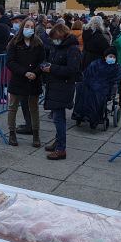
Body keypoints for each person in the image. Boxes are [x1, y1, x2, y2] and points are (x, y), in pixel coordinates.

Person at [41, 24, 81, 160]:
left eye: (55, 38)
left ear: (61, 35)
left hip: (63, 87)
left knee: (59, 118)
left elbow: (72, 70)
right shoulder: (58, 47)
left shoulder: (72, 49)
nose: (54, 41)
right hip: (55, 85)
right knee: (58, 117)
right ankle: (58, 142)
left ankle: (61, 149)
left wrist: (52, 68)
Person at [6, 17, 45, 147]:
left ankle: (36, 135)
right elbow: (10, 62)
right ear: (22, 27)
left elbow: (42, 61)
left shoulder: (38, 43)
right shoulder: (14, 43)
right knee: (13, 107)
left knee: (34, 108)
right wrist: (24, 72)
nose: (29, 29)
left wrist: (35, 72)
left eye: (31, 27)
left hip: (33, 80)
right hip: (18, 79)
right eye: (27, 26)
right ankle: (12, 133)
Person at [72, 47, 121, 130]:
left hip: (105, 86)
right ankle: (79, 114)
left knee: (96, 93)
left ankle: (94, 118)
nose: (112, 58)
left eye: (113, 57)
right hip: (93, 83)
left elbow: (116, 80)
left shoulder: (117, 68)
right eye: (110, 56)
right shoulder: (96, 63)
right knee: (81, 87)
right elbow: (87, 74)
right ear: (105, 57)